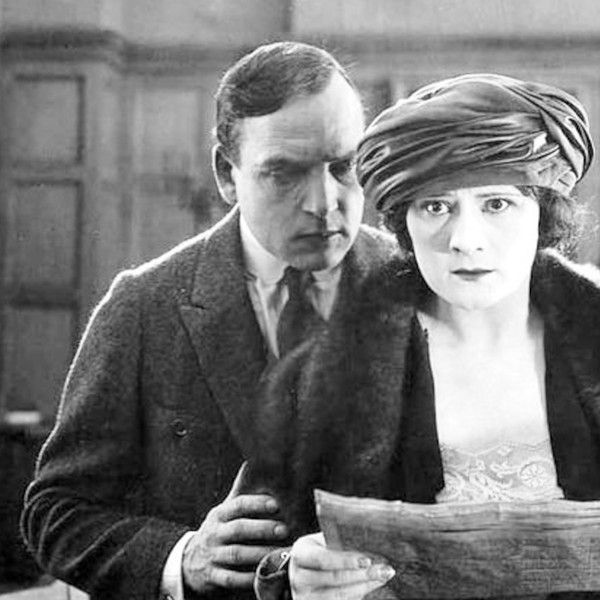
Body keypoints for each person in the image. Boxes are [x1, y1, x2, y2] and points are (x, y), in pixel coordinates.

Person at [20, 41, 397, 600]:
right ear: (226, 173)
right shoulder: (143, 306)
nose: (324, 202)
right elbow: (55, 512)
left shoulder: (416, 288)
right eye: (284, 173)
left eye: (344, 167)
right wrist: (182, 557)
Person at [249, 73, 600, 600]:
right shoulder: (316, 379)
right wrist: (290, 574)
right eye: (436, 206)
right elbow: (256, 556)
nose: (465, 240)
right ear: (404, 224)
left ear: (543, 213)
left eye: (497, 204)